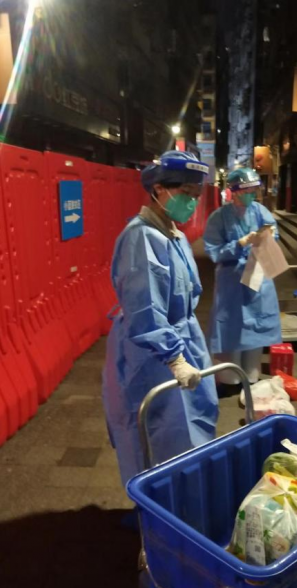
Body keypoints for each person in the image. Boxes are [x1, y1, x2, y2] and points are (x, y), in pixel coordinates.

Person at [103, 150, 219, 487]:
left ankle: (180, 501)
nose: (192, 201)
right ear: (159, 189)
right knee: (156, 436)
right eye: (185, 192)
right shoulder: (142, 237)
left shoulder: (174, 235)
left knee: (189, 431)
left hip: (182, 342)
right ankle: (155, 506)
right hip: (153, 356)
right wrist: (174, 358)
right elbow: (145, 307)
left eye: (196, 194)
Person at [203, 167, 282, 396]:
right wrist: (238, 244)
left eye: (253, 190)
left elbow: (273, 235)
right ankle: (229, 379)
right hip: (231, 281)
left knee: (256, 328)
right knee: (230, 329)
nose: (250, 195)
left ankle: (251, 376)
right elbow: (214, 250)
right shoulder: (219, 217)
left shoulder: (260, 211)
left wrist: (267, 237)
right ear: (234, 191)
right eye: (246, 190)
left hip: (257, 276)